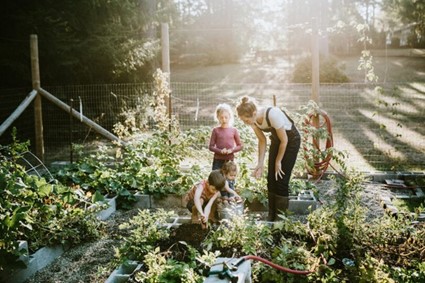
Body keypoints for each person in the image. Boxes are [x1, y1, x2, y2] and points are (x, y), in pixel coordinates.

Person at [236, 96, 301, 221]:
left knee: (281, 179)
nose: (246, 123)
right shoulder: (254, 120)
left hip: (291, 141)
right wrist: (260, 164)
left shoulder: (273, 114)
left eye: (246, 120)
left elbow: (285, 140)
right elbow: (262, 140)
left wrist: (278, 161)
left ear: (254, 113)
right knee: (271, 179)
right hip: (278, 141)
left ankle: (281, 220)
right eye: (244, 121)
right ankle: (272, 217)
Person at [209, 103, 243, 170]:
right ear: (217, 117)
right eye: (221, 117)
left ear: (230, 116)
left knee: (229, 179)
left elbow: (240, 146)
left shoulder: (234, 130)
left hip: (230, 161)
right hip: (217, 160)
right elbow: (211, 147)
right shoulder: (215, 130)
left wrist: (232, 150)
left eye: (226, 117)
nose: (224, 120)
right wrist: (220, 151)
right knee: (216, 179)